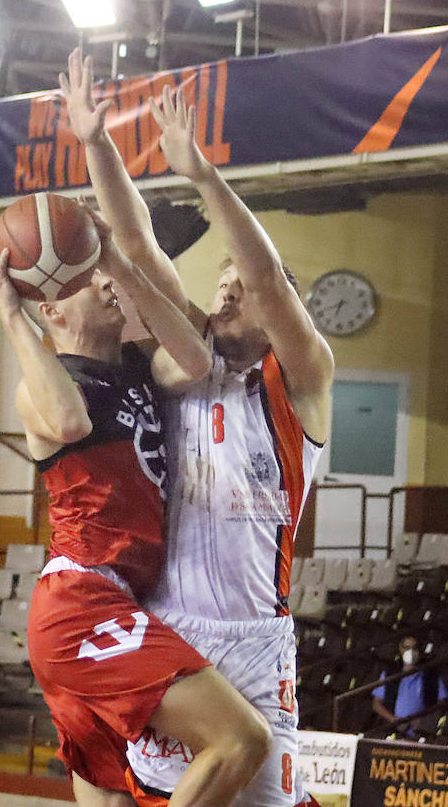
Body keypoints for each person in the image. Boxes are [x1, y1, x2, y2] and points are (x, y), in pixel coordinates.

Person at [58, 49, 334, 806]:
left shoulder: (301, 381)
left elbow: (272, 280)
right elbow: (138, 242)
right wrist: (96, 143)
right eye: (220, 281)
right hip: (169, 627)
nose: (225, 290)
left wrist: (205, 180)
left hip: (253, 639)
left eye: (237, 289)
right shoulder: (180, 361)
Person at [0, 215, 271, 807]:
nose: (107, 287)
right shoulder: (44, 384)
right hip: (82, 605)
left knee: (116, 800)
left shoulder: (139, 365)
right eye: (89, 282)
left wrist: (115, 260)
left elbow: (194, 359)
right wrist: (10, 313)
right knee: (240, 740)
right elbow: (70, 422)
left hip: (113, 602)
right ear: (54, 311)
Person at [371, 637, 448, 737]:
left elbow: (443, 702)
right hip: (393, 730)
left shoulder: (431, 676)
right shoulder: (389, 675)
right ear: (400, 649)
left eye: (414, 648)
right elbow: (376, 704)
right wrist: (394, 720)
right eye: (407, 647)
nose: (411, 651)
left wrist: (424, 720)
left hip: (421, 732)